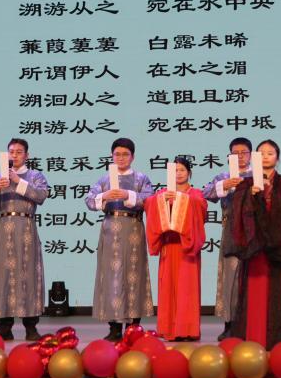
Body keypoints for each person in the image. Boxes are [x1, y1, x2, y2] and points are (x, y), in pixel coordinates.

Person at [225, 140, 281, 348]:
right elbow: (236, 209)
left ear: (277, 158)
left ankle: (272, 340)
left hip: (275, 247)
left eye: (270, 153)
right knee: (252, 293)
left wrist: (271, 197)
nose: (266, 156)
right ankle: (251, 337)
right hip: (253, 248)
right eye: (262, 153)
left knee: (274, 294)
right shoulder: (246, 184)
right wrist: (251, 195)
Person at [0, 138, 49, 341]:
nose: (14, 155)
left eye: (19, 152)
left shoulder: (35, 176)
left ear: (27, 155)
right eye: (11, 151)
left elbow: (41, 196)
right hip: (4, 227)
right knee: (4, 274)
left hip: (26, 226)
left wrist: (18, 181)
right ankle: (4, 326)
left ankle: (30, 326)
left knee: (29, 274)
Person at [86, 137, 154, 341]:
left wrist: (127, 194)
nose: (121, 158)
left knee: (134, 274)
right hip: (110, 230)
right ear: (111, 156)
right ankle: (114, 327)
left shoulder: (141, 178)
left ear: (133, 157)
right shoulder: (104, 180)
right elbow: (89, 201)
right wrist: (105, 196)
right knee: (112, 276)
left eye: (125, 154)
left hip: (133, 229)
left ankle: (133, 326)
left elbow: (149, 200)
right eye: (117, 154)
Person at [143, 156, 206, 341]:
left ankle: (188, 330)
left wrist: (180, 198)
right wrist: (162, 199)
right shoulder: (163, 193)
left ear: (189, 173)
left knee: (187, 289)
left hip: (187, 247)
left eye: (182, 170)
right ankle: (169, 328)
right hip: (169, 246)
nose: (178, 174)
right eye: (175, 170)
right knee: (168, 287)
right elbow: (148, 203)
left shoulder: (195, 194)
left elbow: (201, 208)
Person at [203, 137, 253, 340]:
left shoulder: (257, 175)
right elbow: (206, 193)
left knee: (252, 278)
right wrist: (224, 185)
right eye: (235, 153)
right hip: (231, 232)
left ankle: (251, 324)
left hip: (253, 233)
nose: (240, 156)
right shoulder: (223, 176)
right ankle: (229, 324)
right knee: (230, 278)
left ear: (251, 155)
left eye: (244, 152)